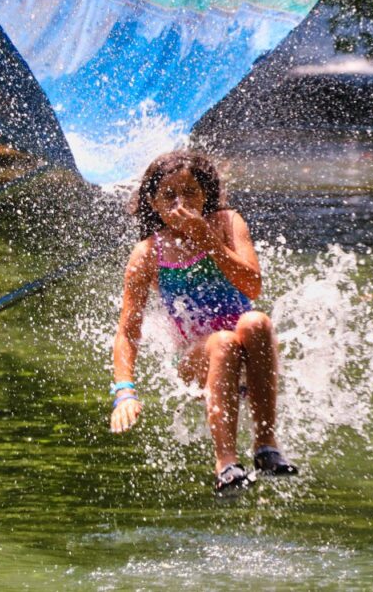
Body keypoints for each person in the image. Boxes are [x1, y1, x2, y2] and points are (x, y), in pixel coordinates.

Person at [109, 150, 297, 495]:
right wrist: (124, 392)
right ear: (152, 202)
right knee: (223, 341)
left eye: (191, 193)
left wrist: (207, 239)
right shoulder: (148, 253)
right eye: (169, 195)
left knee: (256, 321)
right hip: (198, 362)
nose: (182, 203)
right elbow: (127, 331)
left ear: (206, 195)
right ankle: (226, 463)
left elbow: (253, 285)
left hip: (249, 355)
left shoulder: (227, 223)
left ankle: (266, 447)